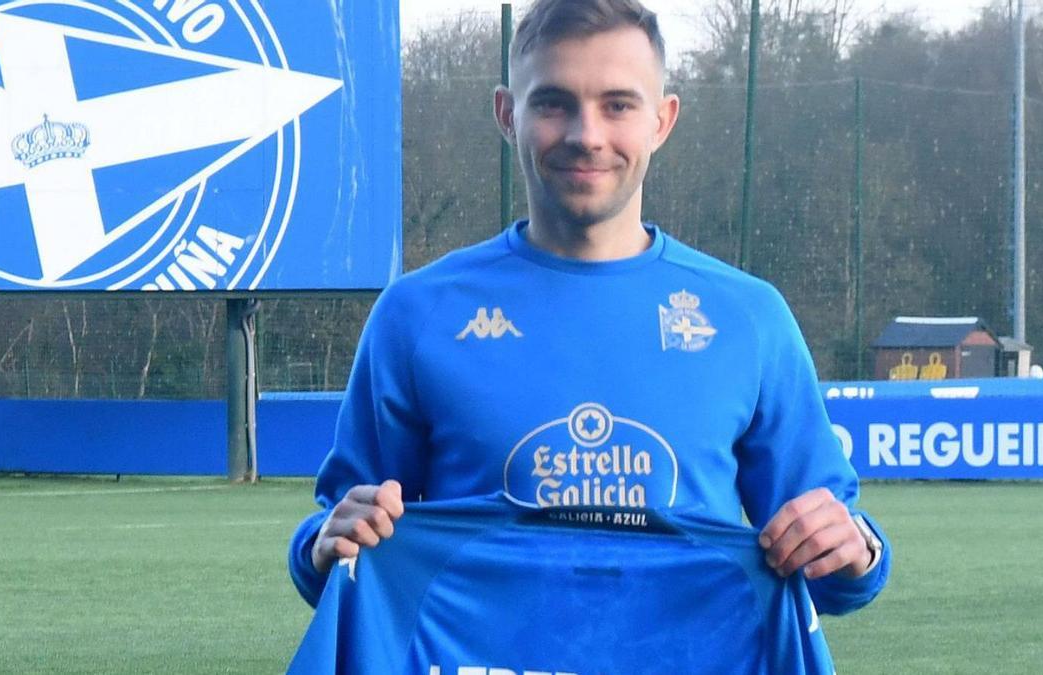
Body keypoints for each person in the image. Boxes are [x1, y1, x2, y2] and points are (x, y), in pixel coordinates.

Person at [290, 0, 888, 628]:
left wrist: (854, 549)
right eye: (552, 102)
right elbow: (340, 544)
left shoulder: (748, 318)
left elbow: (837, 559)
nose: (586, 134)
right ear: (506, 114)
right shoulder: (416, 315)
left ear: (662, 120)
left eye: (618, 104)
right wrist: (323, 545)